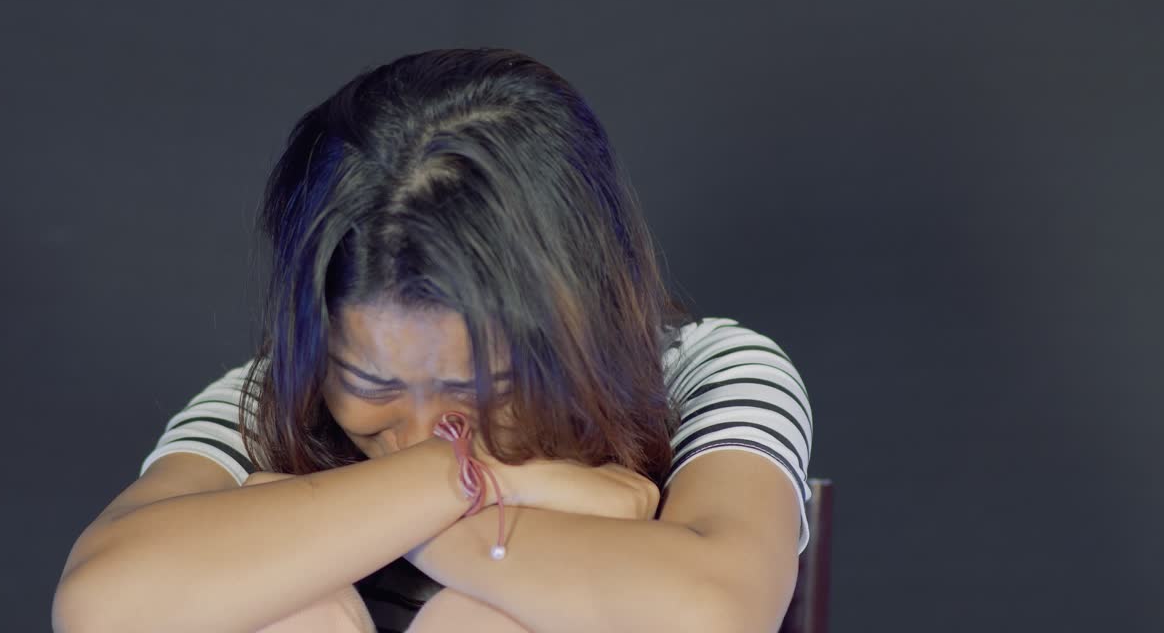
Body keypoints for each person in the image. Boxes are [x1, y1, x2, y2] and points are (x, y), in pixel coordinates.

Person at [52, 48, 813, 633]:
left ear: (571, 324)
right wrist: (468, 481)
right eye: (375, 389)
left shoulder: (701, 370)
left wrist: (324, 518)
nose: (419, 431)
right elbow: (105, 601)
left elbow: (712, 612)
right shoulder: (276, 395)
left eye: (474, 391)